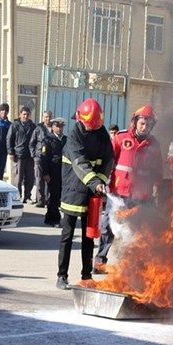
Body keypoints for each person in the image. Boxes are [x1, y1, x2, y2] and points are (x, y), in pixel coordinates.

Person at [94, 105, 162, 274]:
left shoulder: (154, 144)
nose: (144, 126)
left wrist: (157, 189)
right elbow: (109, 161)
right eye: (142, 122)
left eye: (148, 123)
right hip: (118, 193)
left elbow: (158, 170)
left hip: (141, 196)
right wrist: (102, 182)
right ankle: (99, 261)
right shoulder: (120, 138)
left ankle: (130, 267)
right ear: (135, 122)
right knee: (108, 228)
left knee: (136, 231)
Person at [56, 98, 115, 290]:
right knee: (67, 235)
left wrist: (101, 181)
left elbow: (108, 160)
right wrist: (95, 182)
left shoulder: (102, 134)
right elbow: (80, 162)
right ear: (80, 118)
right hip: (73, 192)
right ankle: (62, 276)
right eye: (88, 125)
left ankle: (86, 275)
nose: (90, 128)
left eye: (93, 125)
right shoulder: (74, 136)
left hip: (92, 192)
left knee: (89, 236)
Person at [7, 106, 35, 203]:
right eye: (24, 114)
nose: (26, 116)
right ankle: (17, 196)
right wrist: (11, 152)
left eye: (27, 114)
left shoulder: (33, 126)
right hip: (18, 155)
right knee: (18, 178)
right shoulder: (15, 125)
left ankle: (27, 196)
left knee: (30, 178)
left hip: (30, 156)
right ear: (20, 115)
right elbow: (9, 139)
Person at [41, 117, 66, 226]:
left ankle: (49, 218)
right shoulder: (47, 140)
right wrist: (45, 173)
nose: (59, 128)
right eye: (57, 126)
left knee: (59, 195)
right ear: (53, 127)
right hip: (52, 172)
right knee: (53, 195)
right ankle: (54, 219)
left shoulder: (65, 139)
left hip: (63, 172)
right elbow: (44, 157)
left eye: (61, 126)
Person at [30, 110, 53, 208]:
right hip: (39, 157)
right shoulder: (38, 128)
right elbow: (32, 143)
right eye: (46, 117)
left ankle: (49, 200)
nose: (48, 119)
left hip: (50, 158)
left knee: (49, 179)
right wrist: (34, 155)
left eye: (49, 117)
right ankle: (40, 200)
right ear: (43, 118)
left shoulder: (53, 128)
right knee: (39, 179)